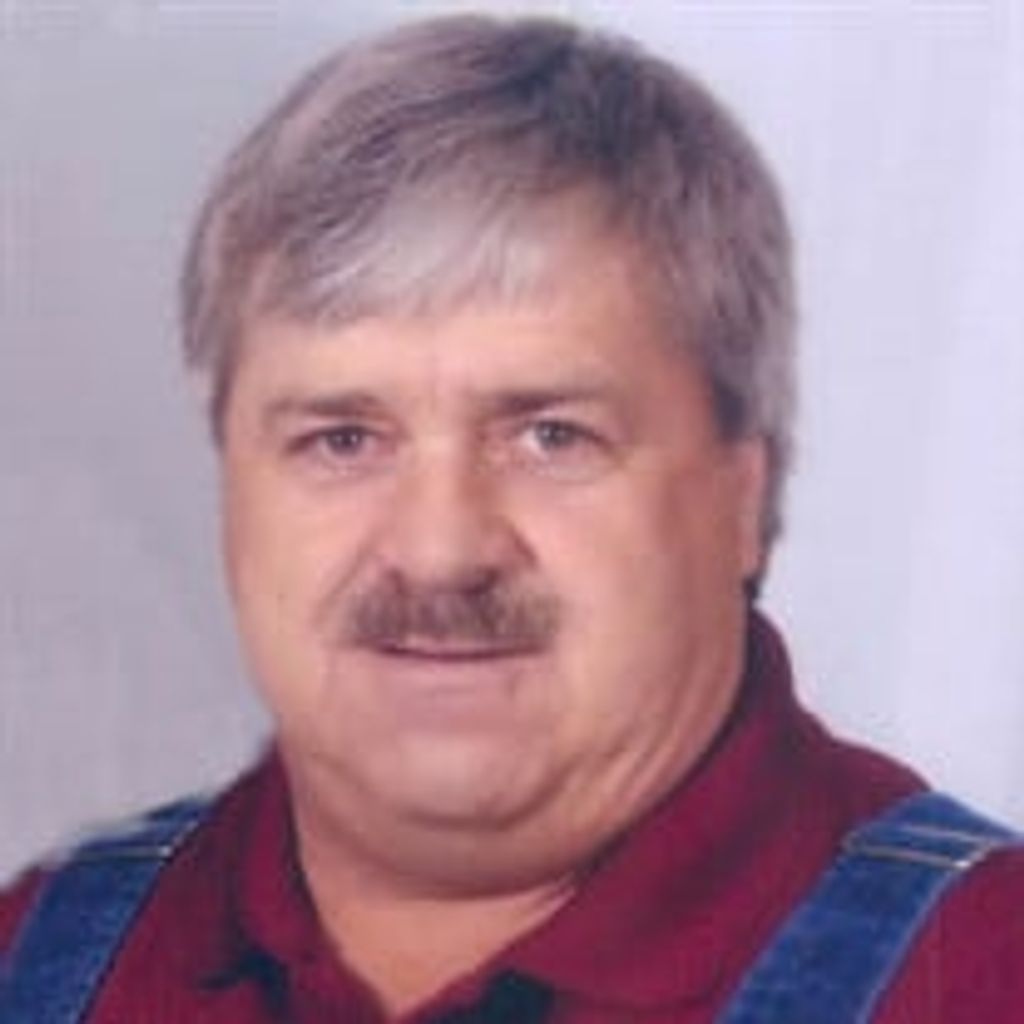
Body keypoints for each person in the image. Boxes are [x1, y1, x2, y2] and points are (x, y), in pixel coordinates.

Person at [1, 13, 1021, 1023]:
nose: (439, 552)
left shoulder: (986, 972)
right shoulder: (36, 954)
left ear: (742, 498)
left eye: (550, 436)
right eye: (343, 439)